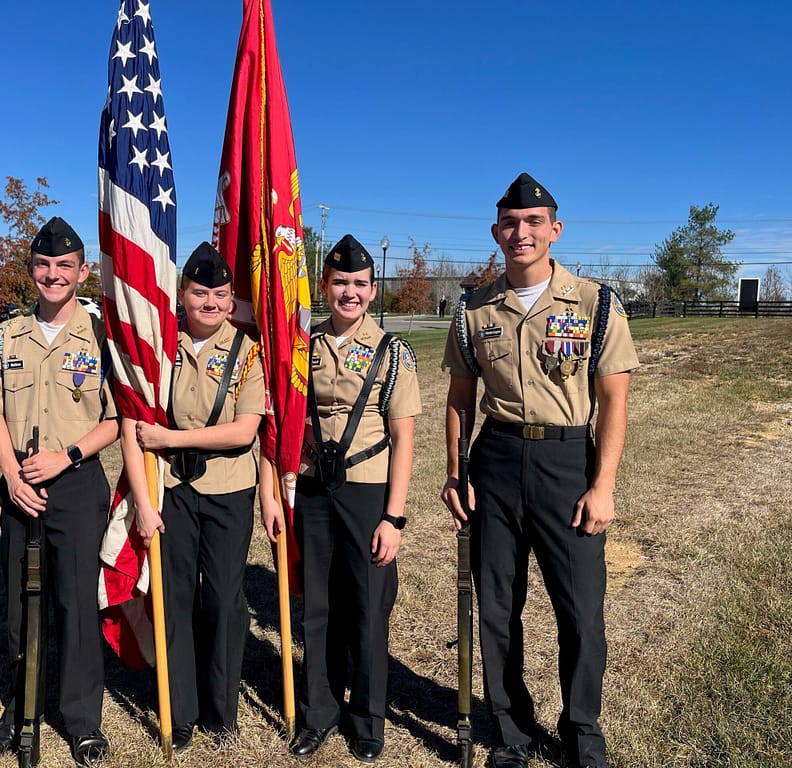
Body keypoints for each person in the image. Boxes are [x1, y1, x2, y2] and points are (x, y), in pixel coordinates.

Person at [440, 173, 639, 768]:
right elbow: (458, 398)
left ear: (555, 230)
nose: (520, 233)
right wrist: (456, 474)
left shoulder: (595, 302)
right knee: (497, 607)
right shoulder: (474, 309)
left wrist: (602, 487)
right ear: (496, 232)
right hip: (496, 462)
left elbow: (614, 401)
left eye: (534, 223)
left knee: (580, 608)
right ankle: (512, 732)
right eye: (510, 223)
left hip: (565, 463)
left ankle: (582, 731)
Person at [0, 216, 119, 766]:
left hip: (77, 487)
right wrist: (11, 474)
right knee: (19, 607)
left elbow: (117, 417)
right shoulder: (7, 336)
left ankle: (81, 721)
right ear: (31, 270)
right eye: (43, 265)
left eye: (64, 266)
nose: (53, 275)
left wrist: (68, 455)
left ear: (82, 272)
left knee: (75, 605)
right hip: (20, 487)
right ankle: (20, 712)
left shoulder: (103, 336)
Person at [270, 234, 420, 763]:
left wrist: (394, 517)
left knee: (368, 609)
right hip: (314, 489)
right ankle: (319, 713)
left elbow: (404, 438)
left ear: (373, 289)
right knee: (319, 609)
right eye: (340, 283)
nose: (349, 293)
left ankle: (368, 717)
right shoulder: (302, 347)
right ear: (325, 287)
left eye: (359, 284)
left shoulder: (392, 351)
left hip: (367, 491)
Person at [127, 242, 265, 751]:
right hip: (173, 493)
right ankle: (179, 709)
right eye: (199, 292)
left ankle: (221, 708)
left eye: (220, 294)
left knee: (225, 600)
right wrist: (145, 500)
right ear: (181, 295)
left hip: (229, 490)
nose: (209, 302)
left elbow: (243, 432)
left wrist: (171, 440)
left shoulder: (249, 352)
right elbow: (132, 421)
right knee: (175, 598)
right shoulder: (160, 351)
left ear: (232, 302)